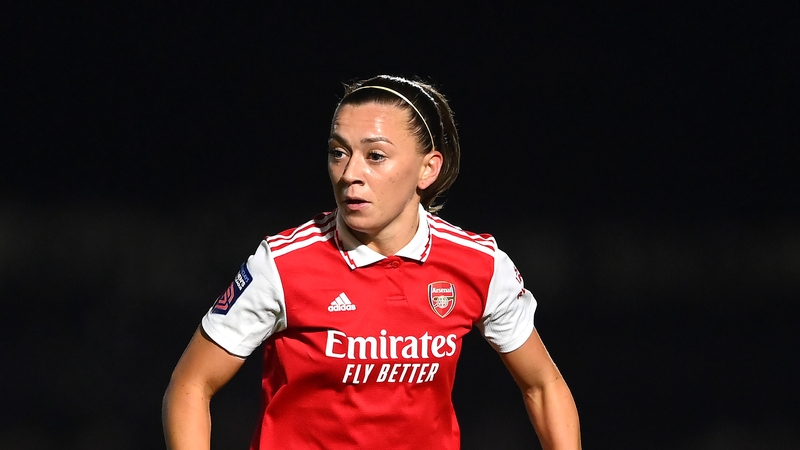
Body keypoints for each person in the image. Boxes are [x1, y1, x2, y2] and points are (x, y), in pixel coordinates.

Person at [162, 75, 581, 449]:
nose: (349, 174)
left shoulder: (479, 265)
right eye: (338, 153)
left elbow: (544, 385)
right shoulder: (283, 265)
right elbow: (191, 384)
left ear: (427, 169)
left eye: (375, 156)